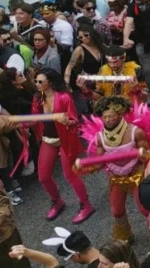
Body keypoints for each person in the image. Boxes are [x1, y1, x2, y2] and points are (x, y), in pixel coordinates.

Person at [78, 95, 150, 241]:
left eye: (111, 116)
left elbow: (148, 156)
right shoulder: (100, 137)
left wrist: (144, 162)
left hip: (137, 175)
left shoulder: (135, 132)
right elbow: (100, 163)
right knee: (117, 212)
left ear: (120, 114)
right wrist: (85, 169)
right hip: (116, 178)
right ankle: (125, 238)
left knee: (145, 209)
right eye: (105, 117)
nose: (108, 120)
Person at [31, 69, 95, 225]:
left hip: (65, 140)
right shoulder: (38, 98)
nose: (37, 84)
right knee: (43, 177)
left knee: (70, 175)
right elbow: (34, 119)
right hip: (48, 140)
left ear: (50, 82)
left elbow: (75, 121)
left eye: (40, 81)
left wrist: (67, 122)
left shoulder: (64, 97)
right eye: (36, 81)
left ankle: (86, 205)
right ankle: (57, 201)